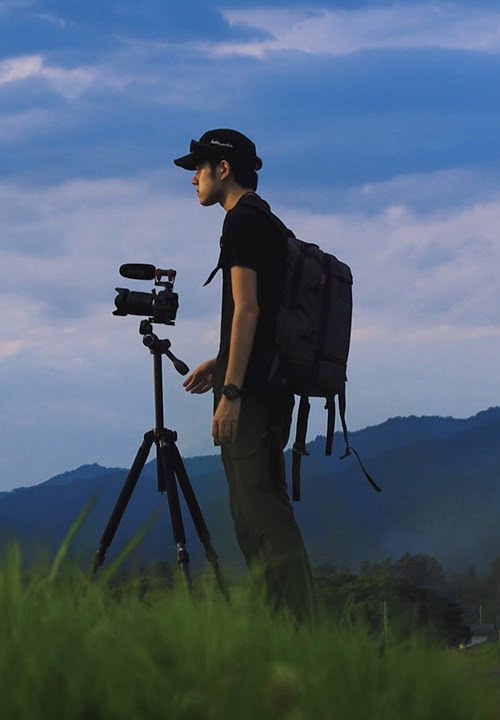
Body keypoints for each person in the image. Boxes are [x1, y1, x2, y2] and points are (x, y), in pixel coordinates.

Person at [174, 129, 316, 621]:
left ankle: (295, 628)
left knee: (260, 514)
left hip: (254, 395)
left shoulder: (241, 224)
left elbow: (248, 310)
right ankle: (286, 623)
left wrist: (231, 391)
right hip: (270, 386)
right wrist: (222, 359)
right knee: (259, 509)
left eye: (199, 168)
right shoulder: (266, 222)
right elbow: (262, 315)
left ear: (224, 169)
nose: (194, 178)